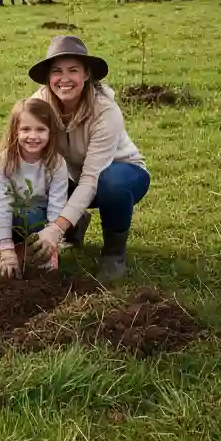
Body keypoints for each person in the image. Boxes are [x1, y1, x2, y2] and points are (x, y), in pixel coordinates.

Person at [26, 36, 150, 282]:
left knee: (111, 182)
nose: (64, 79)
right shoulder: (38, 104)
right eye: (57, 71)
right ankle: (76, 222)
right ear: (48, 78)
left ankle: (114, 253)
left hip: (120, 173)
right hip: (70, 177)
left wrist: (56, 228)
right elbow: (17, 158)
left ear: (86, 75)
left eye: (73, 70)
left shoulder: (105, 110)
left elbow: (92, 178)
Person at [0, 98, 69, 278]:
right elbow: (2, 203)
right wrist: (6, 248)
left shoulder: (56, 163)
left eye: (40, 129)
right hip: (7, 208)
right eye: (26, 129)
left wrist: (51, 244)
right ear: (15, 131)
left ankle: (37, 248)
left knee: (32, 219)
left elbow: (56, 204)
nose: (33, 136)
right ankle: (18, 248)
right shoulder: (6, 160)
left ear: (51, 132)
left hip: (39, 212)